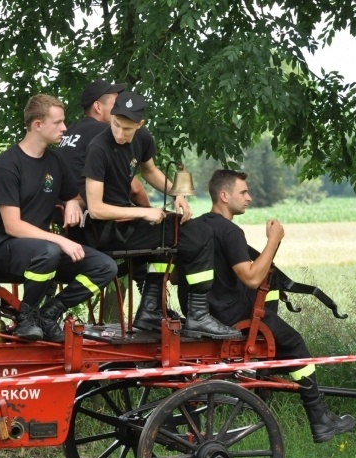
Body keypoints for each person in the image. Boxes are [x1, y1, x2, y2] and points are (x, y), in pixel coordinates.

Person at [197, 169, 356, 443]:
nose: (249, 197)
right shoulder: (231, 231)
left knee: (273, 306)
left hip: (204, 313)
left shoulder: (197, 227)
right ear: (224, 195)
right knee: (295, 343)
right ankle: (320, 420)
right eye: (243, 192)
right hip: (233, 317)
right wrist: (274, 240)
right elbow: (252, 277)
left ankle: (265, 373)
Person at [82, 91, 239, 339]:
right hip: (106, 232)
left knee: (180, 232)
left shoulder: (142, 137)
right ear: (110, 116)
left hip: (128, 226)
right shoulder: (98, 148)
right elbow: (97, 209)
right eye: (116, 125)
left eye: (128, 129)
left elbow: (150, 171)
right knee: (200, 233)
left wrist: (177, 194)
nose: (120, 134)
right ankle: (197, 315)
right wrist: (144, 212)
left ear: (140, 125)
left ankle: (151, 310)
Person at [0, 94, 117, 342]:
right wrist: (61, 241)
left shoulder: (55, 161)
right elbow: (12, 225)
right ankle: (27, 317)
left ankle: (48, 313)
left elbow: (74, 196)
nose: (65, 128)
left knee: (105, 266)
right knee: (49, 251)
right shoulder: (7, 164)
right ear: (38, 125)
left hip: (41, 249)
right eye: (58, 122)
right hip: (1, 246)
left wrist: (73, 202)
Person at [58, 79, 151, 208]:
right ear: (98, 107)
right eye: (115, 104)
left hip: (66, 211)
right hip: (95, 216)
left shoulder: (70, 131)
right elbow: (133, 188)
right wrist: (148, 210)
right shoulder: (104, 134)